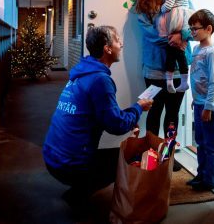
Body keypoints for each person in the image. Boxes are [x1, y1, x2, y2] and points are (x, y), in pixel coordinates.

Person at [42, 25, 153, 211]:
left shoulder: (82, 73)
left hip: (52, 156)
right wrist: (139, 107)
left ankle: (78, 189)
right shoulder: (100, 80)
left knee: (111, 154)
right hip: (68, 164)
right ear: (107, 48)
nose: (122, 44)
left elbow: (109, 116)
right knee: (126, 158)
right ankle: (78, 195)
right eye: (118, 40)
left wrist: (131, 115)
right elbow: (116, 125)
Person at [134, 0, 193, 171]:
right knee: (154, 112)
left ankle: (168, 156)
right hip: (154, 69)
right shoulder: (143, 4)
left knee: (173, 114)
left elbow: (193, 24)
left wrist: (182, 35)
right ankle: (151, 154)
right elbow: (150, 35)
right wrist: (173, 38)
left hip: (179, 70)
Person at [185, 9, 214, 191]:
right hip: (200, 102)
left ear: (208, 28)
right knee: (200, 141)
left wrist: (208, 106)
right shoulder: (196, 48)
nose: (192, 32)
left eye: (195, 29)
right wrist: (196, 100)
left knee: (212, 143)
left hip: (211, 103)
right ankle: (201, 174)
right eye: (190, 29)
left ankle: (210, 180)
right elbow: (197, 78)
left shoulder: (212, 53)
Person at [158, 0, 191, 93]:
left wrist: (162, 8)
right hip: (182, 18)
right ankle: (182, 82)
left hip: (176, 17)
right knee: (179, 54)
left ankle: (170, 81)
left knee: (172, 53)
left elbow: (169, 5)